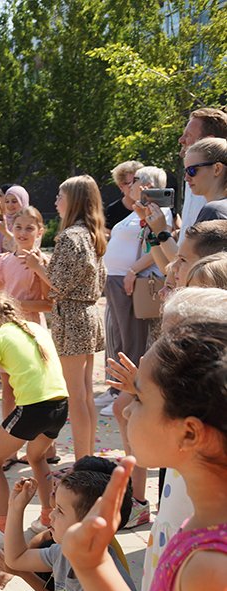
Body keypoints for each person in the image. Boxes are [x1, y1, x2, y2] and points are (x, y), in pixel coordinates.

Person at [61, 321, 227, 591]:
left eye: (138, 398)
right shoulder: (202, 525)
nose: (125, 412)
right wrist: (92, 564)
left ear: (188, 433)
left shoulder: (209, 569)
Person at [0, 290, 69, 549]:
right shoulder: (34, 328)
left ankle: (3, 529)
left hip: (34, 408)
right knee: (36, 456)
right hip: (60, 404)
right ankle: (48, 518)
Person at [24, 175, 106, 460]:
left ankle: (84, 460)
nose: (56, 201)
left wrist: (37, 266)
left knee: (77, 395)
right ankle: (89, 455)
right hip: (87, 314)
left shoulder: (71, 236)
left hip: (72, 318)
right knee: (85, 393)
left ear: (75, 200)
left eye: (60, 196)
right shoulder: (91, 233)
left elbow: (58, 283)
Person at [96, 166, 172, 415]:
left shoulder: (159, 212)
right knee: (120, 336)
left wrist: (132, 271)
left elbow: (155, 247)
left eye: (136, 180)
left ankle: (128, 394)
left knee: (133, 338)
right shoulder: (138, 210)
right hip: (119, 279)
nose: (131, 184)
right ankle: (119, 390)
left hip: (135, 280)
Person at [3, 470, 138, 591]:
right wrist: (16, 507)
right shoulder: (62, 553)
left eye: (60, 511)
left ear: (91, 525)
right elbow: (16, 558)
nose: (51, 515)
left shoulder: (108, 587)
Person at [141, 137, 227, 270]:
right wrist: (156, 232)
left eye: (192, 170)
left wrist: (161, 231)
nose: (186, 178)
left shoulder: (214, 211)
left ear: (217, 169)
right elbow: (169, 269)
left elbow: (187, 269)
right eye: (186, 171)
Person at [176, 107, 227, 236]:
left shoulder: (210, 186)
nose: (181, 140)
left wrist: (160, 234)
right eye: (188, 170)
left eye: (188, 135)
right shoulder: (197, 178)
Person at [0, 184, 30, 275]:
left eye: (14, 201)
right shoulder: (1, 222)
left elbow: (23, 249)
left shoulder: (30, 223)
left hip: (18, 273)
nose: (10, 205)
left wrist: (5, 231)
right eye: (7, 201)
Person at [103, 161, 144, 237]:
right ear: (120, 186)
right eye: (129, 184)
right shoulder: (112, 211)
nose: (134, 187)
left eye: (137, 182)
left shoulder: (152, 207)